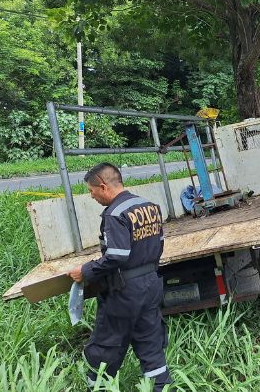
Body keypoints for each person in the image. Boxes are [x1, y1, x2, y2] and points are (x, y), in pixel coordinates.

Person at [68, 162, 172, 390]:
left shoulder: (115, 214)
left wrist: (84, 271)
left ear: (103, 187)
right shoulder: (149, 207)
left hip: (124, 290)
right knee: (150, 343)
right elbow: (160, 244)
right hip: (151, 285)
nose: (91, 196)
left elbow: (117, 255)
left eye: (91, 190)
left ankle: (98, 387)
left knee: (106, 345)